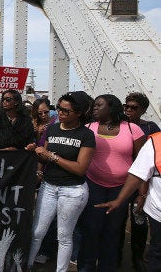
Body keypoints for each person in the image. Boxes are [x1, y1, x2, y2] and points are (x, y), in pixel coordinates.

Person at [25, 92, 96, 272]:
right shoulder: (53, 129)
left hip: (73, 190)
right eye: (58, 109)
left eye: (66, 110)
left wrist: (52, 157)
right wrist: (36, 153)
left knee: (64, 235)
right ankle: (27, 265)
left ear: (78, 113)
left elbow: (81, 168)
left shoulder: (86, 135)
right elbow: (43, 156)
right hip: (48, 186)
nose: (60, 113)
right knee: (37, 232)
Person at [77, 94, 145, 272]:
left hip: (122, 189)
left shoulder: (133, 130)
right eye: (94, 106)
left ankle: (108, 267)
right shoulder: (87, 128)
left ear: (112, 107)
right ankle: (86, 267)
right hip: (93, 185)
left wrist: (141, 193)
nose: (95, 108)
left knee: (113, 231)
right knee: (91, 229)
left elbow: (142, 164)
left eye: (99, 105)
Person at [95, 133, 161, 272]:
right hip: (158, 212)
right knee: (158, 253)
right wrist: (120, 200)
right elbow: (138, 173)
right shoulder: (156, 142)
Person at [116, 92, 161, 270]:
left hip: (142, 184)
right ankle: (116, 256)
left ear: (142, 110)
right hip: (121, 182)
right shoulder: (119, 127)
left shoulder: (151, 128)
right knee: (118, 222)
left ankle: (137, 258)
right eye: (126, 106)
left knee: (139, 223)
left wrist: (142, 193)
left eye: (133, 108)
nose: (128, 110)